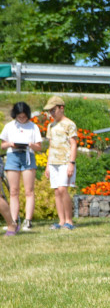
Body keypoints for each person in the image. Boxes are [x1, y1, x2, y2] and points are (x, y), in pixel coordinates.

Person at [1, 101, 43, 231]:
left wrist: (31, 145)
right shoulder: (9, 126)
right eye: (19, 117)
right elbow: (2, 144)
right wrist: (10, 144)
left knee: (29, 190)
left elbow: (39, 147)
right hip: (13, 156)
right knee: (13, 191)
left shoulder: (33, 127)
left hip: (27, 156)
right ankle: (13, 220)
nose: (22, 119)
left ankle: (28, 220)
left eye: (24, 117)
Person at [42, 96, 78, 230]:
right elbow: (50, 146)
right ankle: (61, 220)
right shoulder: (50, 126)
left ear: (61, 108)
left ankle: (69, 220)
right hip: (54, 162)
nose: (51, 113)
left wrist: (71, 163)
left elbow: (73, 145)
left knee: (63, 189)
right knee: (57, 191)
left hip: (65, 161)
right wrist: (47, 165)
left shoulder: (70, 124)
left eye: (53, 110)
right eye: (50, 111)